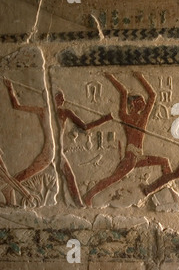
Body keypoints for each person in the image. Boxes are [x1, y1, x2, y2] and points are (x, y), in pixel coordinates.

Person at [83, 72, 172, 206]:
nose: (143, 102)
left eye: (142, 101)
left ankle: (165, 186)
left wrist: (140, 77)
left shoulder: (141, 118)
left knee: (165, 162)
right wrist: (112, 77)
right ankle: (89, 196)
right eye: (140, 101)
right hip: (131, 157)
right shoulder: (126, 117)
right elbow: (124, 92)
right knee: (113, 179)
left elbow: (152, 96)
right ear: (134, 104)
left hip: (137, 156)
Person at [55, 90, 113, 207]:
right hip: (55, 151)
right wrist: (104, 119)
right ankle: (78, 203)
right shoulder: (63, 112)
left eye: (62, 97)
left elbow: (84, 127)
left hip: (56, 150)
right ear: (54, 99)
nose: (63, 100)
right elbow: (85, 127)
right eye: (60, 98)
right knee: (68, 175)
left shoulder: (60, 112)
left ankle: (78, 203)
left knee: (69, 175)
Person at [1, 77, 53, 205]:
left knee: (15, 178)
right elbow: (16, 106)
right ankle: (12, 198)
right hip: (47, 152)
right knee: (17, 177)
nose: (61, 100)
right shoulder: (43, 111)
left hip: (49, 153)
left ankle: (11, 197)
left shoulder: (52, 111)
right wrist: (10, 88)